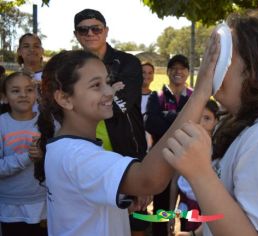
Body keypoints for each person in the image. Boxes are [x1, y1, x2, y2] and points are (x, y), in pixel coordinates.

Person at [161, 10, 258, 236]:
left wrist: (200, 173)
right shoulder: (250, 130)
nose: (212, 68)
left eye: (223, 57)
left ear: (255, 71)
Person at [34, 50, 211, 236]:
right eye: (96, 85)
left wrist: (121, 208)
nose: (110, 91)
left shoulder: (69, 148)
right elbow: (149, 181)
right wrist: (200, 94)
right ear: (64, 98)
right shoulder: (77, 155)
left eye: (107, 82)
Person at [73, 9, 148, 234]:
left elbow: (116, 106)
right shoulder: (73, 66)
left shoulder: (127, 63)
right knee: (98, 222)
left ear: (106, 31)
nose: (90, 33)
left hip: (126, 153)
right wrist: (108, 92)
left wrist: (85, 98)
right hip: (88, 155)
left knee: (134, 220)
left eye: (96, 28)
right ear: (76, 34)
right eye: (83, 29)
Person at [145, 54, 192, 236]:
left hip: (189, 162)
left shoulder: (194, 96)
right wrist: (181, 119)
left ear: (187, 72)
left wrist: (167, 117)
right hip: (162, 162)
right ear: (167, 72)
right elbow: (151, 123)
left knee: (189, 210)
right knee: (162, 211)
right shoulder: (156, 97)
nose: (178, 72)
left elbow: (198, 124)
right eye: (174, 68)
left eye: (182, 68)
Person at [0, 72, 46, 236]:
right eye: (15, 91)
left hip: (43, 204)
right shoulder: (2, 124)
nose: (23, 95)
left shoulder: (48, 122)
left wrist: (43, 156)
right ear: (4, 97)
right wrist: (27, 157)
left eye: (29, 89)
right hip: (10, 208)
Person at [169, 99, 219, 235]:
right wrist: (172, 215)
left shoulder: (219, 152)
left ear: (216, 121)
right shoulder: (183, 147)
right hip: (186, 207)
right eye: (198, 117)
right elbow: (174, 182)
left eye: (207, 118)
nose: (201, 123)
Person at [141, 61, 155, 150]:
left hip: (149, 148)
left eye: (150, 73)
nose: (147, 75)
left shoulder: (156, 97)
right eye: (143, 72)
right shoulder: (130, 96)